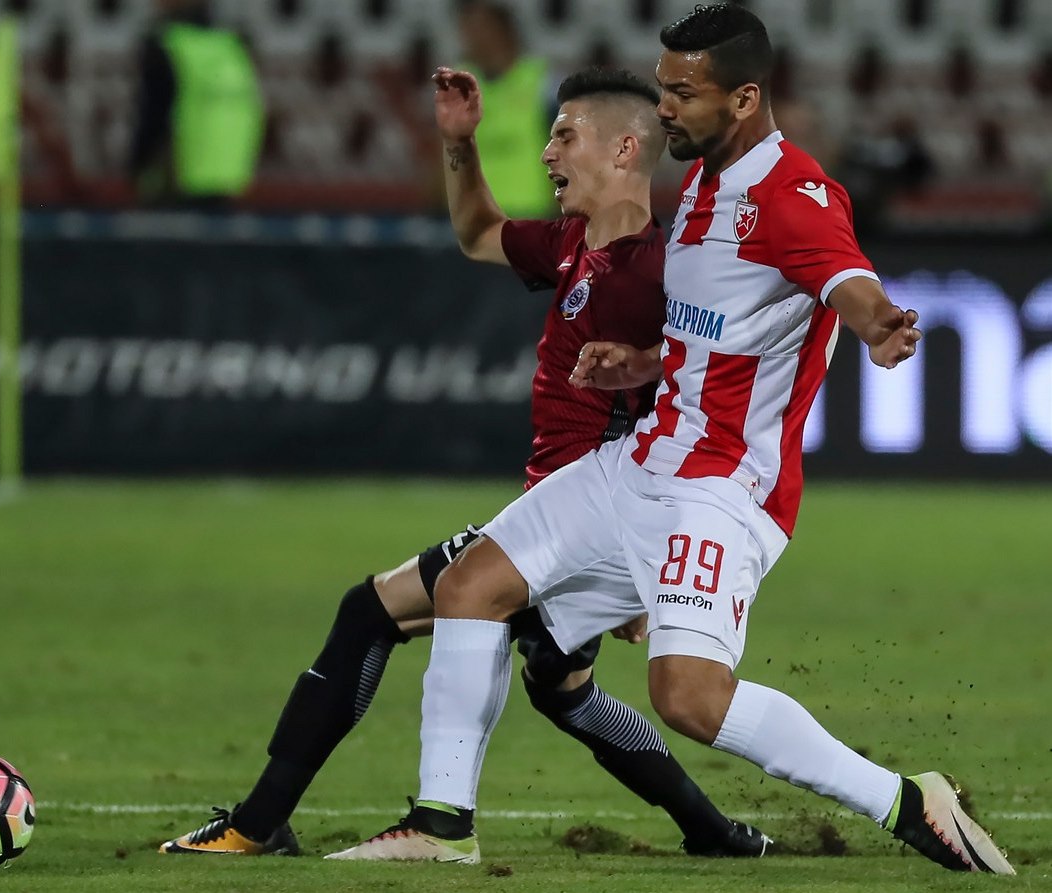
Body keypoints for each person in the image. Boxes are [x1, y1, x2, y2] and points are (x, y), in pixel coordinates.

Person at [337, 4, 1015, 875]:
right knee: (472, 584)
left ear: (744, 99)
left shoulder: (792, 195)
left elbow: (846, 278)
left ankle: (906, 800)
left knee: (688, 697)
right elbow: (722, 329)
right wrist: (643, 362)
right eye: (661, 87)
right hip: (644, 458)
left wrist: (879, 323)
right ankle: (441, 824)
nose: (663, 108)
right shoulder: (701, 186)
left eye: (682, 94)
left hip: (720, 487)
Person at [158, 65, 769, 862]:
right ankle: (714, 833)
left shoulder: (656, 272)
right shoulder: (573, 245)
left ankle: (267, 820)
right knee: (560, 686)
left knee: (372, 611)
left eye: (564, 135)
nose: (548, 152)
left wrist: (639, 565)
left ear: (625, 148)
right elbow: (480, 232)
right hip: (558, 516)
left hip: (589, 522)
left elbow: (699, 397)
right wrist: (459, 145)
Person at [128, 0, 264, 207]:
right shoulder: (231, 46)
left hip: (175, 185)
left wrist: (136, 167)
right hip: (227, 182)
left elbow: (154, 116)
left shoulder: (168, 44)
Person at [454, 1, 558, 218]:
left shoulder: (541, 81)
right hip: (477, 214)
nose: (469, 36)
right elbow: (446, 148)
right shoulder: (459, 83)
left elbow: (565, 147)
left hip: (531, 213)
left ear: (503, 32)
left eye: (478, 28)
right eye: (466, 28)